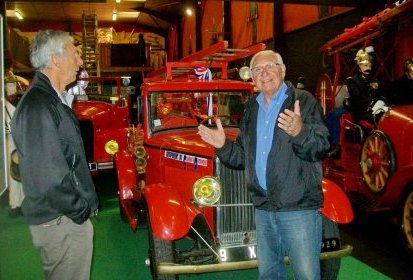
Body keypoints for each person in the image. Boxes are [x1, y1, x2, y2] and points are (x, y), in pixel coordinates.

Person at [198, 50, 330, 279]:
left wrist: (300, 132)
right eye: (257, 69)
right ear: (252, 77)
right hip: (263, 209)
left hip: (297, 208)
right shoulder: (251, 108)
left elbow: (321, 146)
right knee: (269, 274)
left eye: (270, 66)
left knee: (307, 276)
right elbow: (242, 157)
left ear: (283, 70)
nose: (264, 73)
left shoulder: (303, 101)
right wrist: (223, 146)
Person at [11, 30, 99, 280]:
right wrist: (79, 209)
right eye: (75, 54)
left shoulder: (50, 100)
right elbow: (50, 177)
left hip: (62, 218)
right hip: (60, 220)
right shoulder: (39, 106)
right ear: (56, 59)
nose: (80, 61)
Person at [4, 68, 29, 217]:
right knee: (13, 171)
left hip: (23, 138)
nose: (11, 90)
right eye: (9, 87)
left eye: (12, 86)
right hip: (9, 139)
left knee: (24, 170)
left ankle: (26, 202)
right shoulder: (3, 105)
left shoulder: (22, 100)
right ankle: (15, 204)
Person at [345, 48, 383, 124]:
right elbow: (358, 99)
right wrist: (372, 105)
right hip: (361, 113)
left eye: (370, 66)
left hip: (374, 109)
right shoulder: (352, 81)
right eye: (365, 65)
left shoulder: (372, 80)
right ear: (359, 66)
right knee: (381, 118)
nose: (368, 68)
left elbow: (378, 94)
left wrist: (381, 102)